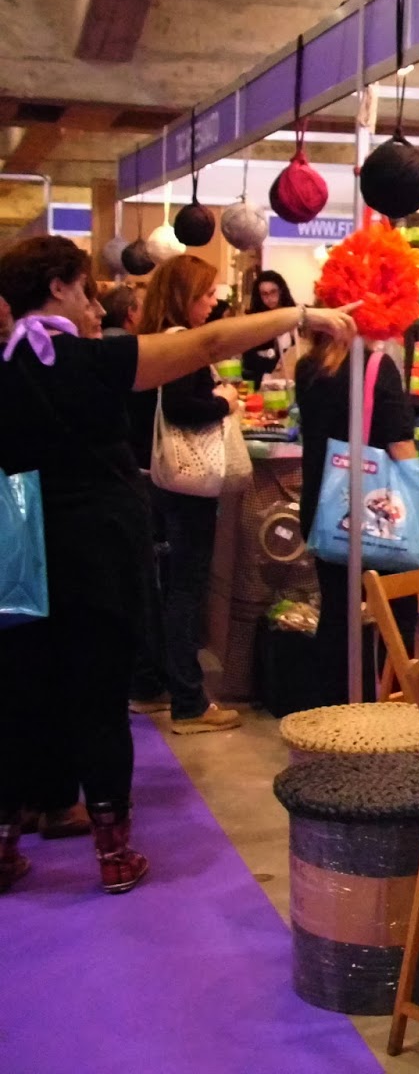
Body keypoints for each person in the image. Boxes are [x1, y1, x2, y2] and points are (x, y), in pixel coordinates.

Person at [0, 235, 354, 894]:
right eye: (85, 290)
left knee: (18, 695)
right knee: (100, 698)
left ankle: (5, 847)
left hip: (18, 558)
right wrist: (301, 315)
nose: (93, 305)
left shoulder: (8, 365)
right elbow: (207, 344)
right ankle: (113, 855)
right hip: (97, 555)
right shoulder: (90, 361)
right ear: (58, 288)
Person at [126, 256, 244, 734]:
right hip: (184, 484)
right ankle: (189, 702)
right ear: (185, 297)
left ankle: (150, 683)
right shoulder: (183, 346)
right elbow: (180, 408)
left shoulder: (150, 342)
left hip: (150, 478)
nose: (214, 302)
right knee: (186, 589)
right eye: (207, 293)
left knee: (160, 584)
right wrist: (224, 401)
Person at [296, 327, 418, 707]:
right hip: (374, 511)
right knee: (396, 611)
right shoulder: (377, 366)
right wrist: (418, 500)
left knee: (337, 611)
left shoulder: (308, 366)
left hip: (325, 506)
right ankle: (391, 707)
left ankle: (331, 709)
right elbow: (400, 442)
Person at [241, 271, 297, 386]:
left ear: (281, 290)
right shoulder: (255, 320)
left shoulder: (294, 314)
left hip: (292, 377)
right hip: (265, 378)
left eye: (273, 292)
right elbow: (249, 359)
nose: (269, 298)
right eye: (264, 294)